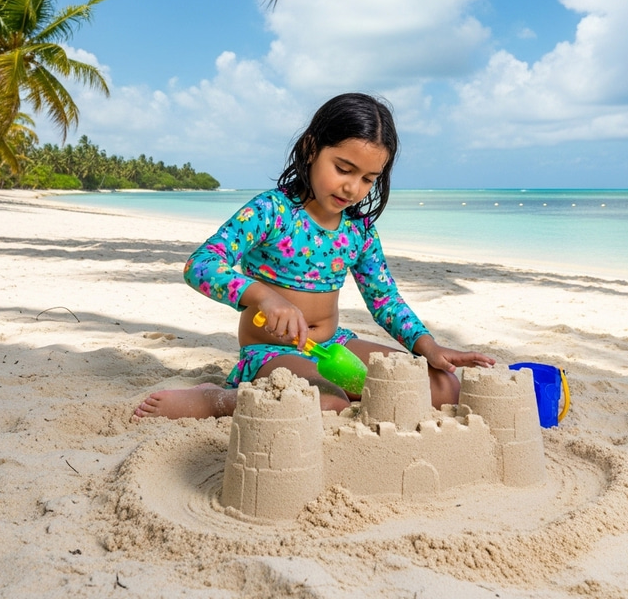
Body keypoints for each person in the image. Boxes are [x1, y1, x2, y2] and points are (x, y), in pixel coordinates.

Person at [134, 93, 495, 420]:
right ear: (311, 149)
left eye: (368, 179)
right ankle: (215, 399)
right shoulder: (272, 211)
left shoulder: (359, 230)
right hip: (272, 353)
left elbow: (385, 300)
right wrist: (263, 297)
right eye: (343, 169)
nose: (352, 188)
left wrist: (428, 346)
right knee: (325, 402)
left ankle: (345, 390)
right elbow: (200, 265)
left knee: (443, 386)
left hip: (335, 346)